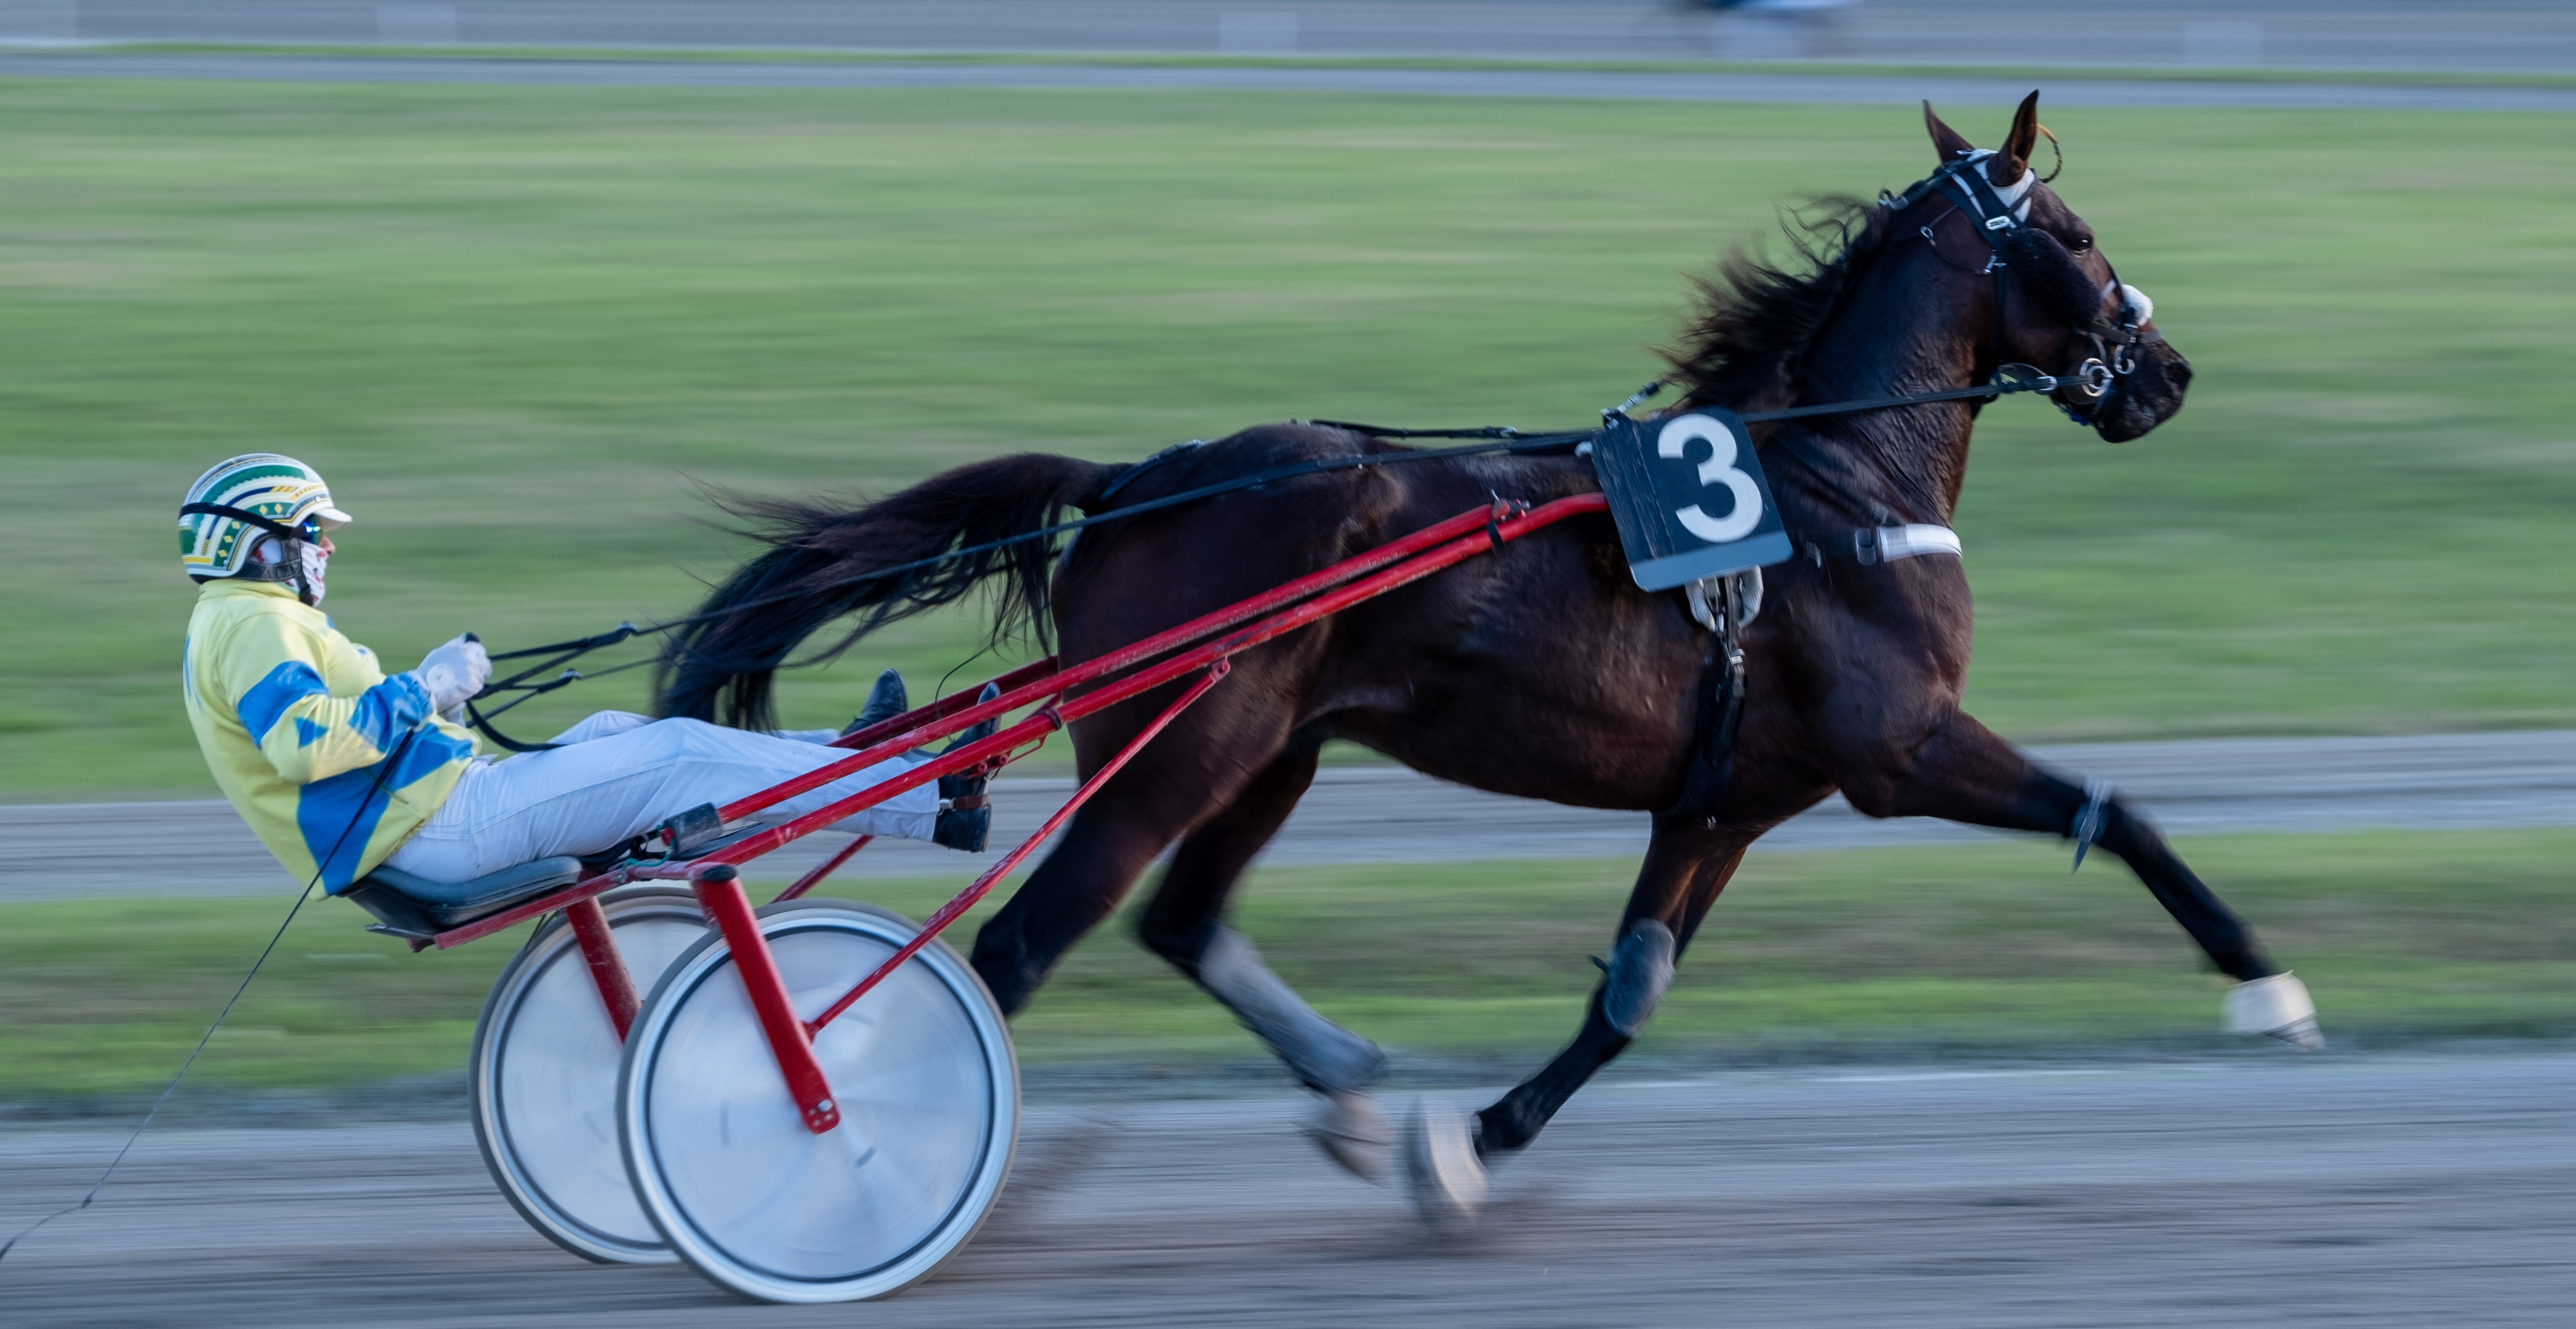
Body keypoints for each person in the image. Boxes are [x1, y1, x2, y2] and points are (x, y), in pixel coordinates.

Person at [177, 452, 987, 900]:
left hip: (428, 818)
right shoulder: (255, 620)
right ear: (266, 542)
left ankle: (846, 755)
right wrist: (427, 688)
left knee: (614, 732)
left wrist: (434, 695)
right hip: (438, 831)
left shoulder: (236, 619)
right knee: (674, 756)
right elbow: (304, 746)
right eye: (314, 529)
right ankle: (933, 802)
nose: (326, 545)